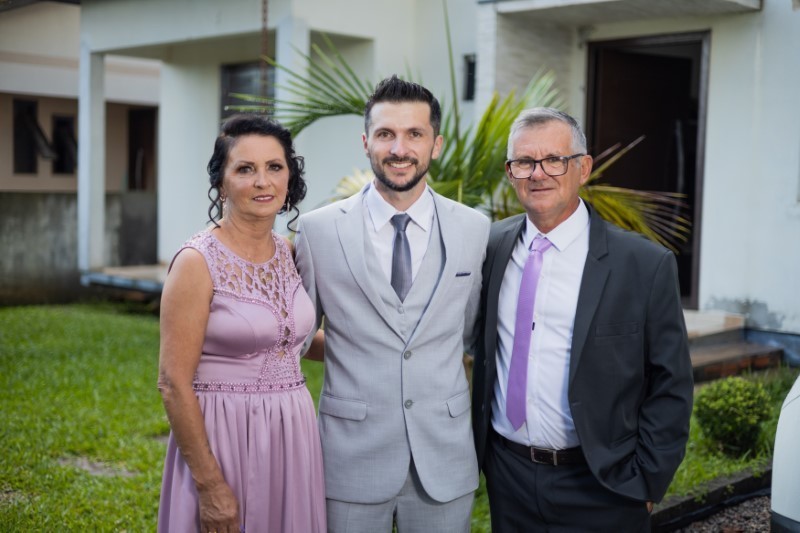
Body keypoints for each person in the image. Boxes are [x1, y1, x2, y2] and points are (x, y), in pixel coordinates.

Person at [471, 107, 694, 532]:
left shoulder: (644, 264)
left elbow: (672, 383)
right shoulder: (490, 246)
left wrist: (648, 480)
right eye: (524, 162)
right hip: (508, 477)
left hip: (604, 486)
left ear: (584, 168)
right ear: (510, 172)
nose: (538, 174)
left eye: (554, 160)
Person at [294, 75, 490, 533]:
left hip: (444, 457)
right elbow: (297, 338)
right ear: (366, 142)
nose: (399, 149)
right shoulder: (318, 231)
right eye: (386, 134)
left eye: (414, 134)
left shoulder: (474, 229)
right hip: (349, 458)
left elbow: (472, 334)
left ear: (436, 144)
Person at [157, 115, 326, 533]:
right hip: (224, 435)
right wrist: (210, 485)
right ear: (221, 182)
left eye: (275, 167)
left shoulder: (289, 253)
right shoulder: (196, 262)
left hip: (292, 434)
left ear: (289, 178)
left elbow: (290, 340)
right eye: (245, 169)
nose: (262, 181)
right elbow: (172, 382)